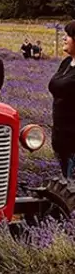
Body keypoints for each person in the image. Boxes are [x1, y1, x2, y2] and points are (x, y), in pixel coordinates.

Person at [48, 20, 75, 178]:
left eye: (68, 35)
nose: (64, 38)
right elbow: (56, 85)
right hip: (60, 137)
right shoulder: (66, 63)